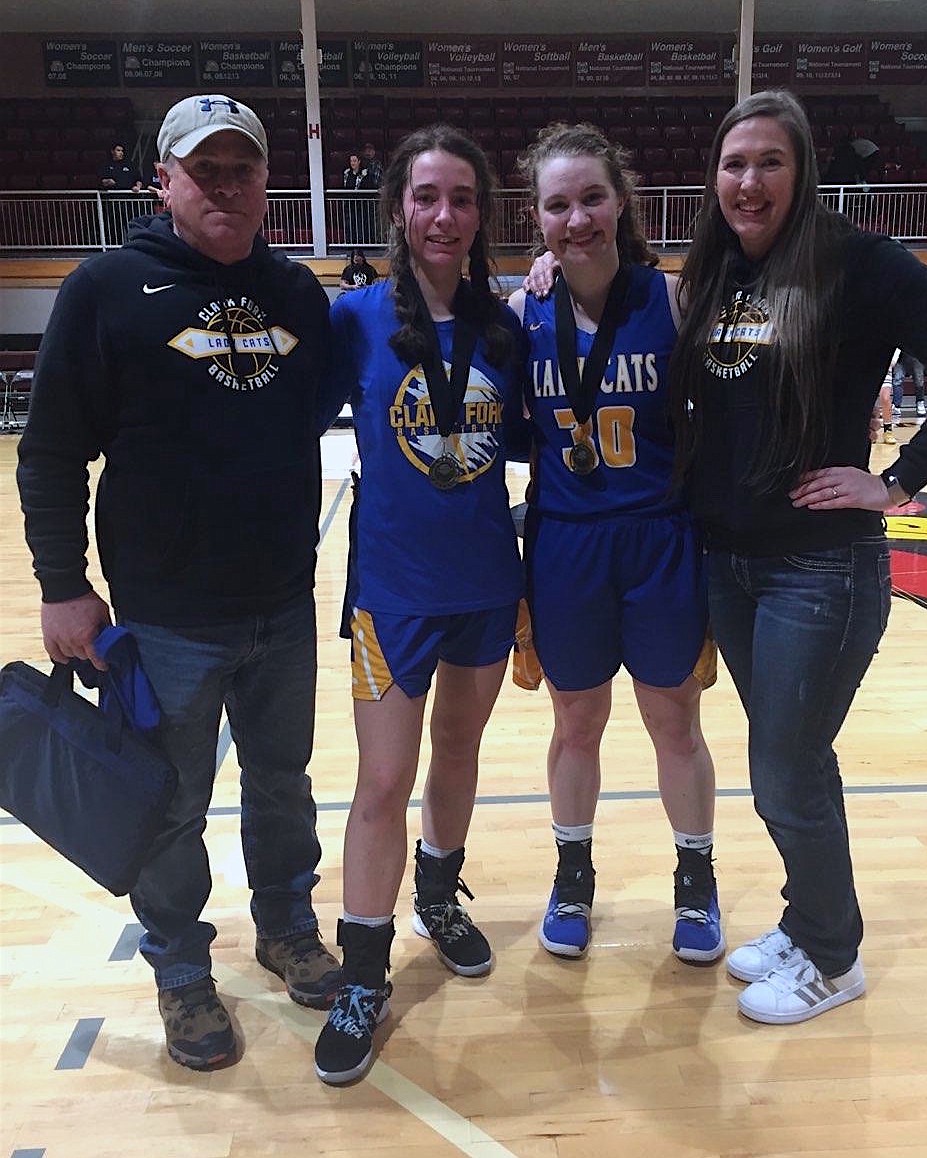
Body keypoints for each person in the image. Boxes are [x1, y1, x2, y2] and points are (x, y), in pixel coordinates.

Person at [17, 93, 342, 1071]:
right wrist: (63, 584)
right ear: (162, 181)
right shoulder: (106, 289)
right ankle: (181, 968)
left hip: (282, 604)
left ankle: (286, 926)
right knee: (171, 803)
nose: (226, 187)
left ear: (264, 181)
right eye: (205, 170)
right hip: (165, 618)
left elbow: (329, 402)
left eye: (242, 168)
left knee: (282, 787)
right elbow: (50, 453)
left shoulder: (295, 293)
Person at [668, 89, 927, 1025]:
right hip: (733, 564)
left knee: (785, 772)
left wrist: (900, 476)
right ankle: (807, 921)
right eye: (732, 164)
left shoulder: (856, 263)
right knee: (792, 763)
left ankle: (833, 959)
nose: (747, 182)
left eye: (768, 162)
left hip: (819, 570)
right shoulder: (720, 269)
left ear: (802, 171)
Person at [312, 123, 527, 1086]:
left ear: (482, 215)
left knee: (459, 752)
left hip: (486, 583)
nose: (445, 215)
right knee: (381, 781)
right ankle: (364, 973)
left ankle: (437, 896)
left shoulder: (507, 327)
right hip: (390, 597)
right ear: (399, 207)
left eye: (463, 199)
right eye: (427, 196)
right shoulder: (353, 317)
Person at [509, 123, 722, 966]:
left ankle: (695, 880)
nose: (577, 218)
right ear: (538, 217)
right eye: (558, 204)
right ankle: (572, 873)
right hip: (564, 542)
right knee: (576, 720)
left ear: (620, 202)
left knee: (674, 722)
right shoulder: (521, 309)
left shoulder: (670, 299)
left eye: (591, 197)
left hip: (660, 537)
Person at [892, 351, 927, 419]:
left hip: (916, 355)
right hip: (900, 355)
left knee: (919, 380)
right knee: (897, 380)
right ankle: (896, 406)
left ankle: (920, 403)